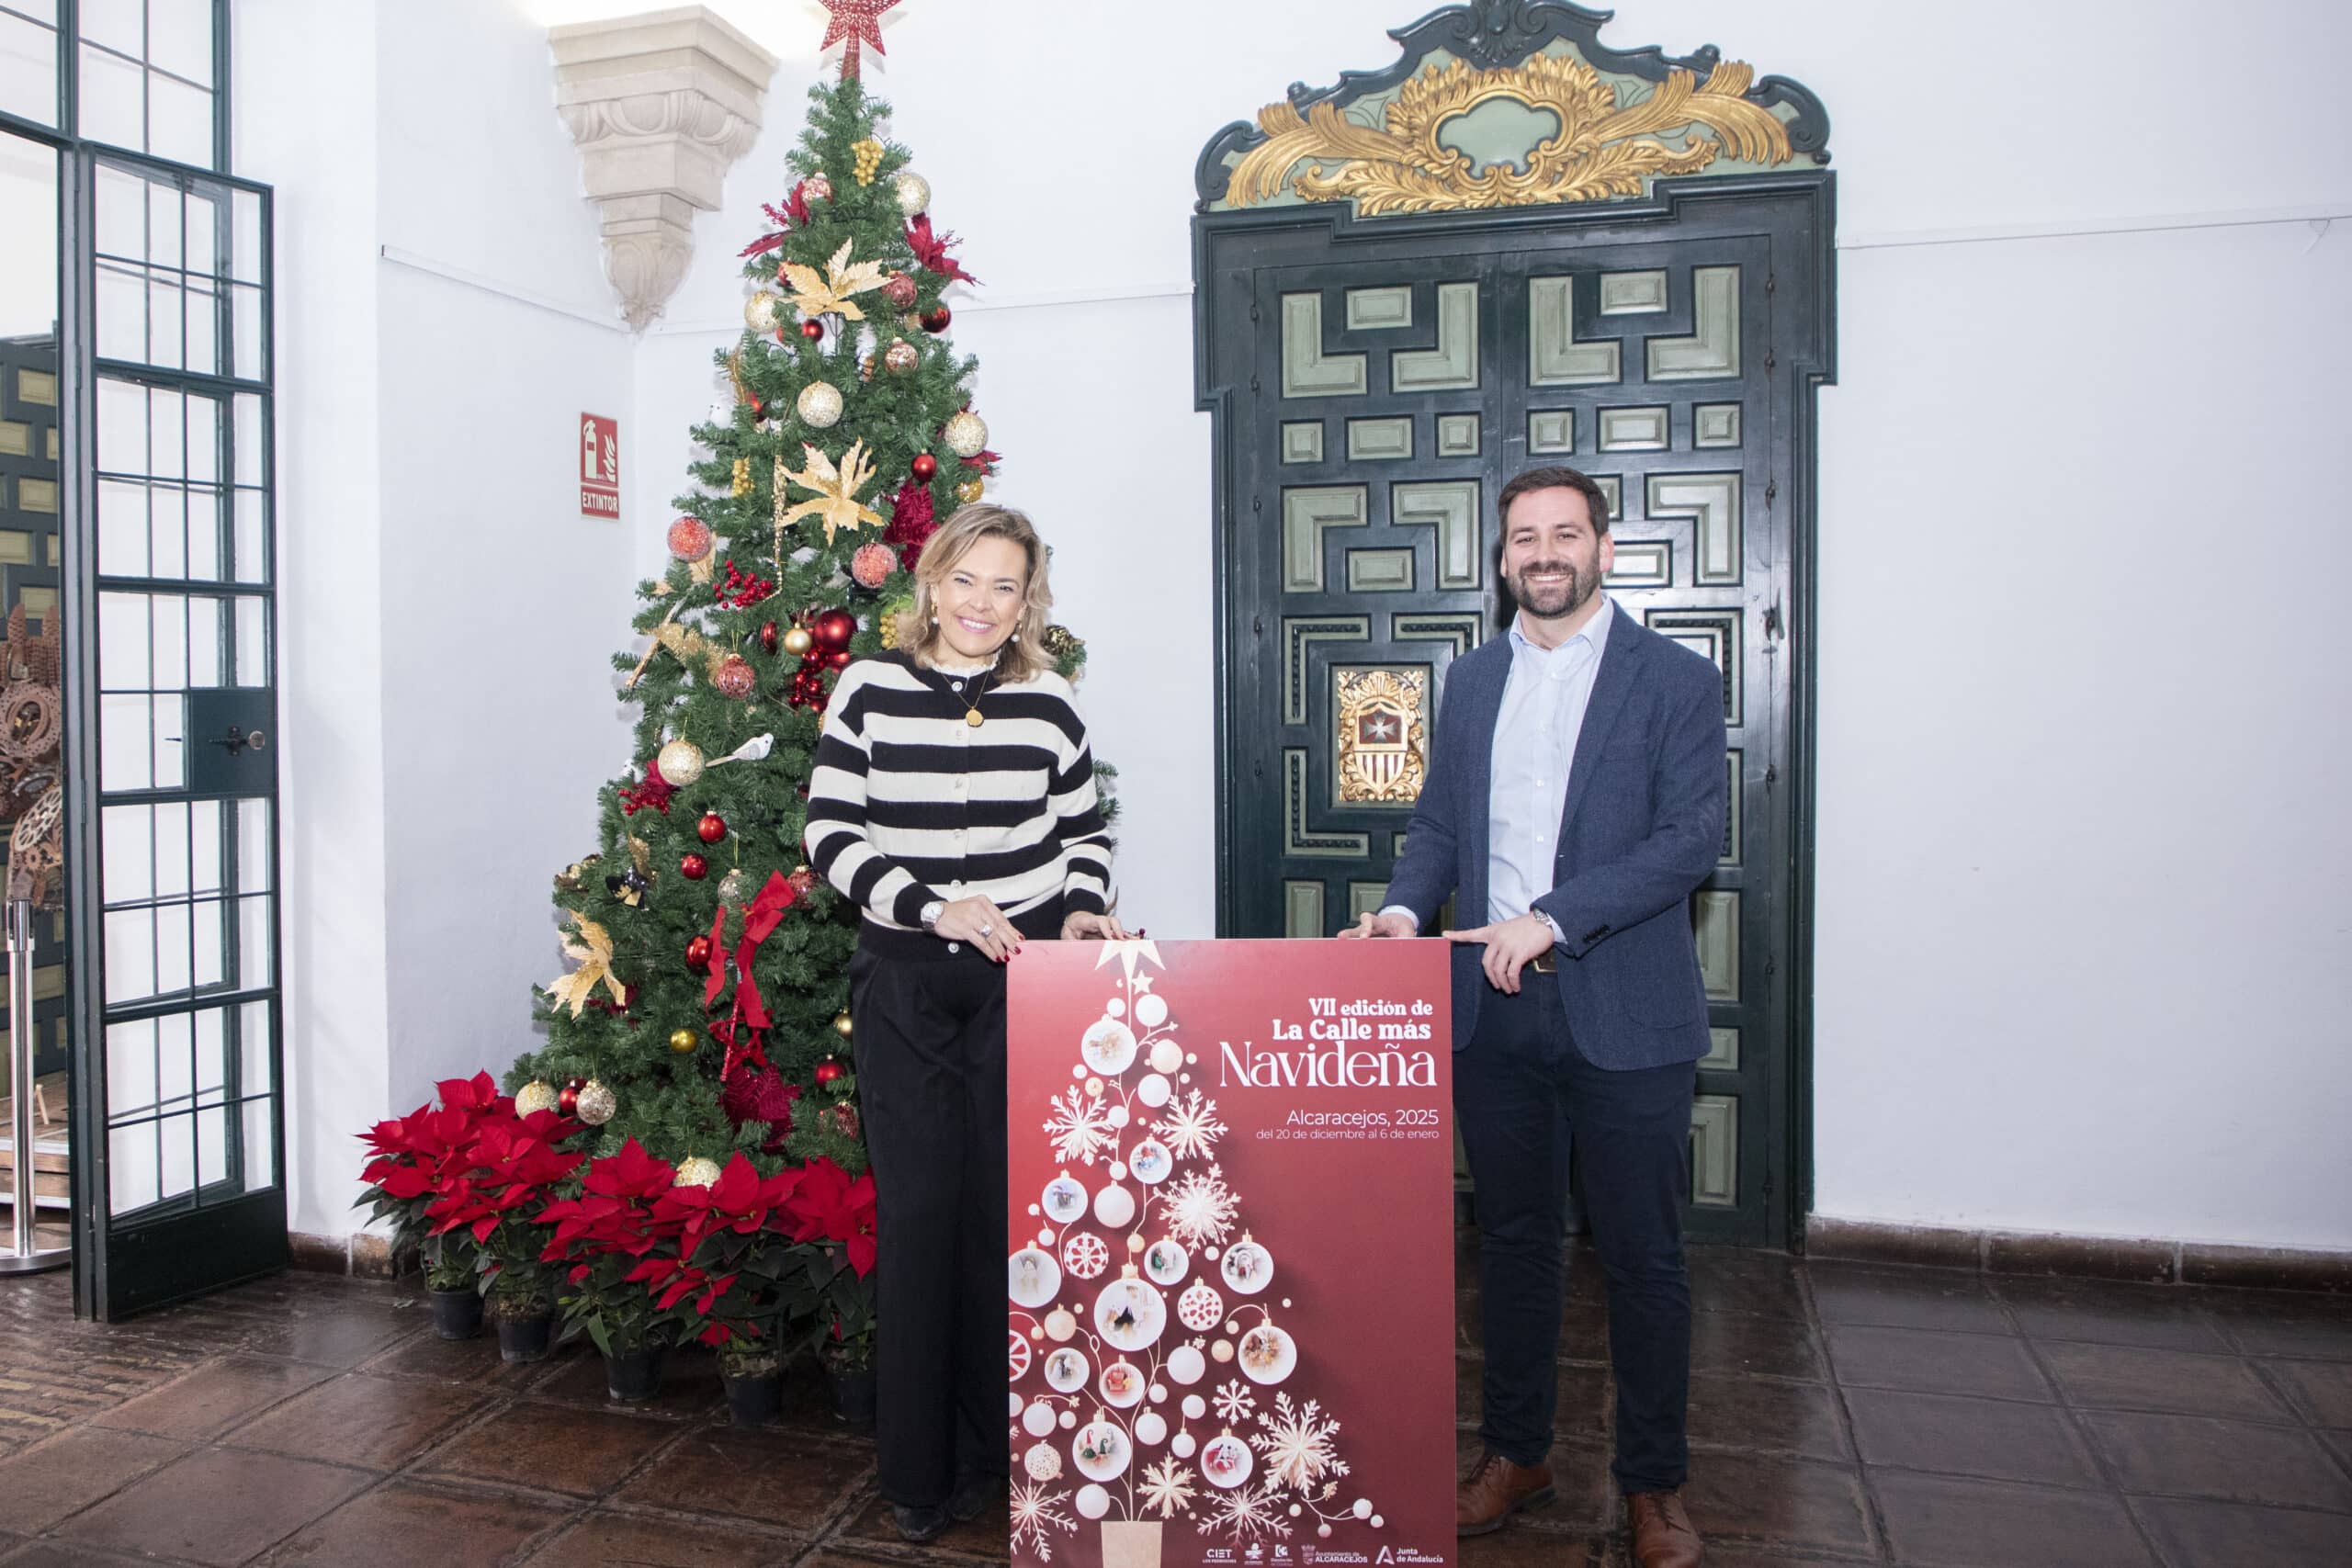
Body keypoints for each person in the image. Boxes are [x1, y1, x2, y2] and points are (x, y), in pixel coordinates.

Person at [1340, 465, 1724, 1568]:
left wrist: (1553, 919)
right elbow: (1438, 829)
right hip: (1491, 1020)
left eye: (1565, 534)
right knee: (1512, 1247)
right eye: (1524, 538)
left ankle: (1653, 1486)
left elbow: (1688, 842)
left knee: (1644, 1259)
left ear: (1602, 548)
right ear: (1502, 557)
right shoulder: (1468, 684)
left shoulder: (1676, 682)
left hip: (1626, 1015)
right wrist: (1406, 911)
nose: (1543, 554)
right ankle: (1517, 1456)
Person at [806, 502, 1124, 1541]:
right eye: (967, 580)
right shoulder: (866, 689)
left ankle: (1004, 1451)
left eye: (1006, 586)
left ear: (1027, 601)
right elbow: (829, 834)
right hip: (904, 983)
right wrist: (932, 904)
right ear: (931, 584)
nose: (983, 603)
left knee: (1009, 1216)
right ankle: (918, 1473)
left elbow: (1085, 833)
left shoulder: (1050, 702)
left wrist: (1081, 904)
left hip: (1023, 985)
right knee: (922, 1213)